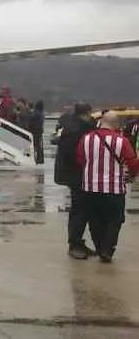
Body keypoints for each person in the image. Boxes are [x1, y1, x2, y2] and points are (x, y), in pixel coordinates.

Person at [75, 111, 139, 263]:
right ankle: (108, 249)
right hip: (114, 189)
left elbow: (80, 159)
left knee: (94, 219)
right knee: (114, 220)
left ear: (101, 122)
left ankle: (99, 247)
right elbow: (132, 163)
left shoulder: (86, 138)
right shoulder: (122, 141)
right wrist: (131, 175)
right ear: (116, 124)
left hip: (90, 187)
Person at [56, 103, 97, 259]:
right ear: (87, 113)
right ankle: (74, 244)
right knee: (79, 210)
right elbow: (70, 154)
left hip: (79, 173)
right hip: (77, 174)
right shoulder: (75, 129)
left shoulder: (73, 126)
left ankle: (78, 242)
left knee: (83, 209)